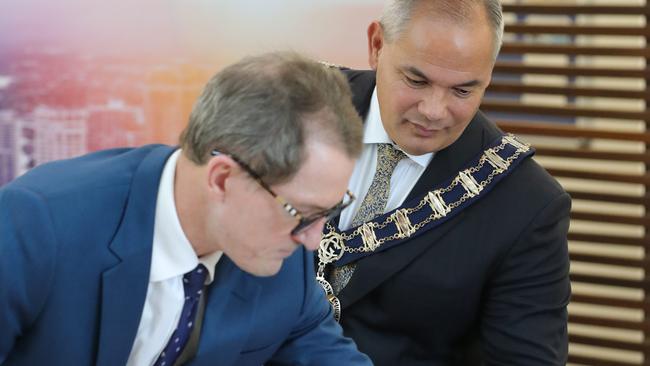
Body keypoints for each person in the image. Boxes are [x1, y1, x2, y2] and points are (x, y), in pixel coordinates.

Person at [0, 51, 372, 366]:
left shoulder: (283, 260)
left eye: (330, 212)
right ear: (222, 179)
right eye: (301, 213)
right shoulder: (38, 223)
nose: (313, 241)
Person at [316, 0, 571, 365]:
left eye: (463, 91)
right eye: (416, 80)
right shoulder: (294, 105)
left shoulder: (527, 204)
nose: (434, 111)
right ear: (376, 45)